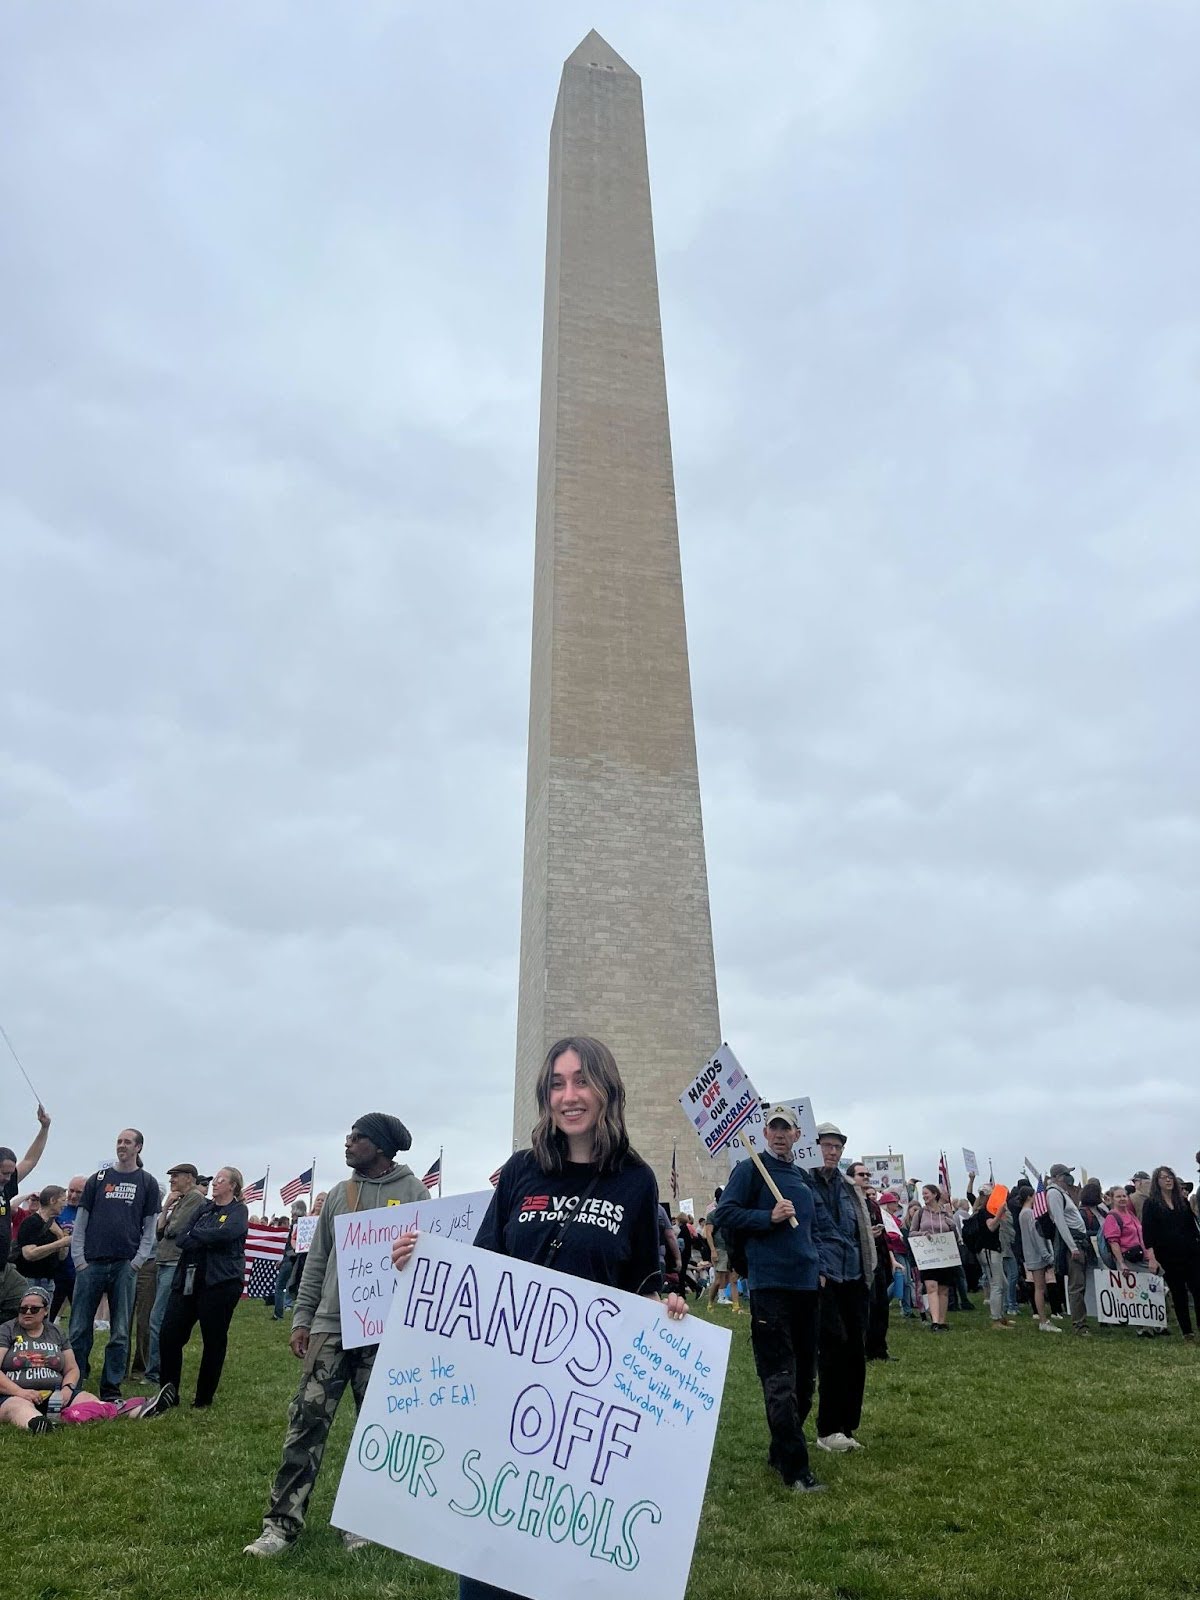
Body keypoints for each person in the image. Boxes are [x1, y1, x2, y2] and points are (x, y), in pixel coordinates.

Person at [390, 1035, 688, 1600]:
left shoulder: (636, 1181)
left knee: (571, 1560)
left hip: (584, 1407)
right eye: (557, 1083)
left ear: (607, 1090)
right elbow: (479, 1267)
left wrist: (661, 1308)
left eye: (581, 1081)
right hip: (506, 1392)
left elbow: (645, 1279)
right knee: (490, 1555)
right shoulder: (522, 1171)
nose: (569, 1095)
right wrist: (423, 1260)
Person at [244, 1112, 429, 1557]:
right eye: (349, 1136)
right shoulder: (338, 1196)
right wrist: (303, 1318)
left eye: (358, 1137)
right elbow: (317, 1261)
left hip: (387, 1334)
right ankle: (281, 1526)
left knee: (378, 1430)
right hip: (332, 1327)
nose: (348, 1143)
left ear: (382, 1146)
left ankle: (364, 1523)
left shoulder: (414, 1193)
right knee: (305, 1423)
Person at [713, 1105, 824, 1492]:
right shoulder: (750, 1170)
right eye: (773, 1128)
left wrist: (820, 1265)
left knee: (806, 1380)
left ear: (797, 1135)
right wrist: (768, 1218)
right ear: (765, 1134)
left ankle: (781, 1449)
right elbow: (723, 1215)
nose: (779, 1134)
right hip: (770, 1286)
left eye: (786, 1129)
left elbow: (815, 1228)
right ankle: (796, 1469)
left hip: (807, 1285)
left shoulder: (800, 1177)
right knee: (780, 1377)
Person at [68, 1128, 162, 1401]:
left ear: (138, 1148)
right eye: (119, 1141)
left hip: (125, 1266)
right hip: (91, 1264)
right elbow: (81, 1222)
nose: (121, 1146)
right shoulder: (99, 1179)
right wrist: (79, 1259)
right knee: (78, 1329)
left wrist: (137, 1261)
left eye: (127, 1142)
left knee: (120, 1331)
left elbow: (149, 1228)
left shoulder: (147, 1182)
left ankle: (111, 1388)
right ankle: (75, 1380)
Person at [0, 1284, 171, 1430]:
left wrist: (67, 1389)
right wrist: (20, 1392)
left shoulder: (56, 1332)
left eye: (34, 1309)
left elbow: (72, 1368)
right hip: (15, 1394)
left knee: (89, 1400)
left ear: (45, 1311)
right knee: (18, 1408)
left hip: (56, 1394)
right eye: (23, 1309)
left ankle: (139, 1410)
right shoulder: (7, 1330)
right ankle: (41, 1425)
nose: (27, 1312)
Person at [807, 1121, 874, 1451]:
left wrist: (869, 1271)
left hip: (854, 1278)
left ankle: (847, 1426)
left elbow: (860, 1230)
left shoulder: (849, 1187)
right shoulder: (803, 1182)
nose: (832, 1152)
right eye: (826, 1145)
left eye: (838, 1147)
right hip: (824, 1278)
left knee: (855, 1354)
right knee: (833, 1350)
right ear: (813, 1146)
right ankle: (828, 1428)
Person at [158, 1167, 249, 1407]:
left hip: (220, 1283)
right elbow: (181, 1236)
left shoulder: (238, 1211)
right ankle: (168, 1393)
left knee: (214, 1340)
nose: (215, 1183)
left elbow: (228, 1233)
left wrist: (199, 1235)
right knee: (169, 1335)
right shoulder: (204, 1208)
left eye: (221, 1180)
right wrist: (205, 1235)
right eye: (215, 1180)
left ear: (232, 1186)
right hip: (188, 1280)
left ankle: (203, 1398)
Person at [146, 1163, 207, 1384]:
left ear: (189, 1178)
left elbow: (175, 1229)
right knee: (157, 1317)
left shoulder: (194, 1199)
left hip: (175, 1262)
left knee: (159, 1317)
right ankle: (156, 1368)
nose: (172, 1180)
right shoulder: (179, 1200)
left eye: (175, 1176)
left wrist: (166, 1222)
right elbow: (160, 1232)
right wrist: (165, 1209)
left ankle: (156, 1371)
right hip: (164, 1260)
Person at [0, 1106, 52, 1321]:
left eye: (10, 1174)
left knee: (25, 1300)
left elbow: (30, 1161)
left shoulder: (5, 1188)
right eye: (4, 1173)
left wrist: (45, 1128)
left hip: (4, 1269)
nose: (7, 1178)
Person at [1141, 1166, 1200, 1342]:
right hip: (1168, 1255)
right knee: (1178, 1292)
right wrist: (1151, 1257)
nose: (1168, 1180)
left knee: (1198, 1290)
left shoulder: (1183, 1202)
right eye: (1163, 1177)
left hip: (1191, 1253)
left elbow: (1193, 1228)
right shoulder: (1151, 1204)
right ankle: (1187, 1332)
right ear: (1156, 1182)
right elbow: (1148, 1233)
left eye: (1170, 1177)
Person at [849, 1162, 895, 1360]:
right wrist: (868, 1235)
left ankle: (879, 1349)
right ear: (851, 1178)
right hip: (859, 1261)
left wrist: (889, 1258)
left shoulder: (873, 1205)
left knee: (880, 1307)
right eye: (861, 1174)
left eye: (868, 1174)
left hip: (878, 1259)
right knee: (865, 1307)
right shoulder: (848, 1201)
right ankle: (863, 1350)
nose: (866, 1177)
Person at [1046, 1162, 1090, 1336]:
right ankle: (1079, 1325)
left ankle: (1082, 1320)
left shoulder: (1062, 1193)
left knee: (1080, 1284)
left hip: (1078, 1240)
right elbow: (1060, 1221)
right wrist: (1072, 1247)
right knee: (1076, 1285)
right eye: (1065, 1175)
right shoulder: (1054, 1193)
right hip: (1072, 1243)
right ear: (1057, 1177)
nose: (1068, 1178)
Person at [907, 1184, 959, 1332]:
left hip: (944, 1255)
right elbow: (911, 1232)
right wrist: (923, 1235)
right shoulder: (921, 1213)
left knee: (943, 1289)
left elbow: (955, 1235)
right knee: (931, 1287)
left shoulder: (945, 1213)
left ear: (935, 1194)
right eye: (923, 1194)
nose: (924, 1196)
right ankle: (934, 1322)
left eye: (927, 1193)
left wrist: (952, 1225)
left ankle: (942, 1321)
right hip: (928, 1255)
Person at [964, 1185, 1011, 1328]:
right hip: (989, 1251)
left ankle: (1000, 1315)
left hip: (992, 1250)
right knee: (996, 1284)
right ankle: (996, 1319)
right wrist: (999, 1215)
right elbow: (991, 1227)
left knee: (1003, 1284)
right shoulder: (985, 1212)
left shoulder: (985, 1211)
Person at [15, 1184, 71, 1298]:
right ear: (52, 1200)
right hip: (29, 1279)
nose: (65, 1204)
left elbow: (61, 1257)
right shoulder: (31, 1222)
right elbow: (29, 1254)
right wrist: (61, 1243)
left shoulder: (56, 1224)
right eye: (63, 1200)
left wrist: (61, 1236)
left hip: (48, 1280)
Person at [1017, 1189, 1061, 1332]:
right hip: (1036, 1254)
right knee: (1040, 1288)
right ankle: (1043, 1320)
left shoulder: (1022, 1213)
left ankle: (1043, 1318)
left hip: (1031, 1253)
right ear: (1030, 1197)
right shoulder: (1029, 1213)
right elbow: (1036, 1235)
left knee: (1039, 1287)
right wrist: (1046, 1254)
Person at [705, 1186, 742, 1313]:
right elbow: (708, 1233)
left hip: (732, 1249)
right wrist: (713, 1250)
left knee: (734, 1279)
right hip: (720, 1249)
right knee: (719, 1280)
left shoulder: (731, 1212)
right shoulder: (712, 1215)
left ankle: (736, 1306)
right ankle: (710, 1303)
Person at [1101, 1187, 1150, 1271]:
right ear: (1112, 1199)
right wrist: (1121, 1263)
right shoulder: (1112, 1217)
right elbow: (1113, 1242)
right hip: (1129, 1261)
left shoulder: (1131, 1214)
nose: (1122, 1199)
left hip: (1142, 1257)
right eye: (1118, 1197)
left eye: (1124, 1196)